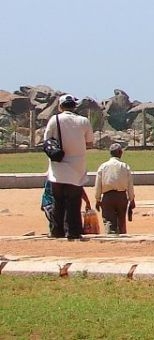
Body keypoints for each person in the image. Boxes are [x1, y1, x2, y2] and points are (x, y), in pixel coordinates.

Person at [44, 94, 95, 240]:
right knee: (74, 201)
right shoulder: (83, 121)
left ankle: (57, 231)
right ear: (74, 106)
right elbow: (89, 142)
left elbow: (47, 140)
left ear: (60, 106)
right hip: (77, 166)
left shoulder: (55, 120)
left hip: (58, 166)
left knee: (58, 200)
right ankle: (73, 231)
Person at [94, 143, 136, 234]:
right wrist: (131, 199)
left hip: (107, 197)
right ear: (120, 153)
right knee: (121, 221)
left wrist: (97, 199)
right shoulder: (125, 166)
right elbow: (130, 185)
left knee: (109, 221)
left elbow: (98, 184)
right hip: (121, 196)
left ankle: (110, 239)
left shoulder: (103, 166)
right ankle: (122, 239)